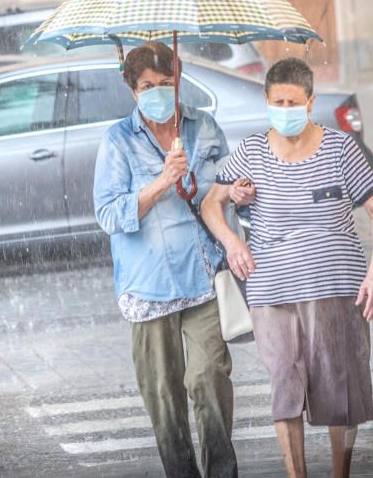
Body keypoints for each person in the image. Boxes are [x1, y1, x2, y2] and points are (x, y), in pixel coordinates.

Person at [201, 57, 373, 478]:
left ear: (310, 102)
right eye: (277, 101)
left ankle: (340, 472)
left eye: (293, 101)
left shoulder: (341, 148)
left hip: (337, 288)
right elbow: (210, 204)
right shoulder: (250, 151)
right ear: (266, 100)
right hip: (272, 291)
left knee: (338, 382)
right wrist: (233, 242)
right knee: (285, 384)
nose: (285, 108)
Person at [93, 41, 253, 478]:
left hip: (204, 277)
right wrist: (163, 180)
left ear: (178, 81)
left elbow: (220, 190)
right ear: (133, 90)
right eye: (148, 85)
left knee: (210, 379)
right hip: (149, 288)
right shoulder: (119, 142)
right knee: (163, 395)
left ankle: (223, 472)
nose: (159, 91)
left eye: (166, 83)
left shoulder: (204, 128)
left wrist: (238, 192)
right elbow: (108, 214)